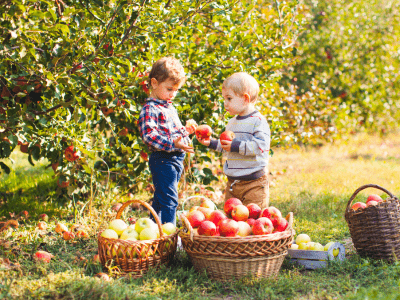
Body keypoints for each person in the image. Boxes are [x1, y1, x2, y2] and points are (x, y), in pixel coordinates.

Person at [197, 72, 270, 209]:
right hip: (233, 184)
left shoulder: (258, 121)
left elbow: (261, 147)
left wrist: (235, 145)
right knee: (231, 221)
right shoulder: (232, 123)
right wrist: (211, 143)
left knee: (253, 220)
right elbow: (228, 147)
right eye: (224, 99)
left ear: (245, 98)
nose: (225, 103)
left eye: (229, 98)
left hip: (253, 184)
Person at [138, 57, 196, 225]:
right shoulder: (151, 108)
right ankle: (170, 235)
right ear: (154, 83)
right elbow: (149, 136)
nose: (173, 94)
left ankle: (153, 228)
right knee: (170, 199)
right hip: (163, 160)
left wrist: (187, 131)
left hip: (175, 160)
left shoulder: (168, 106)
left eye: (176, 90)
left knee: (161, 196)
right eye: (169, 89)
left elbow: (173, 134)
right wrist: (173, 144)